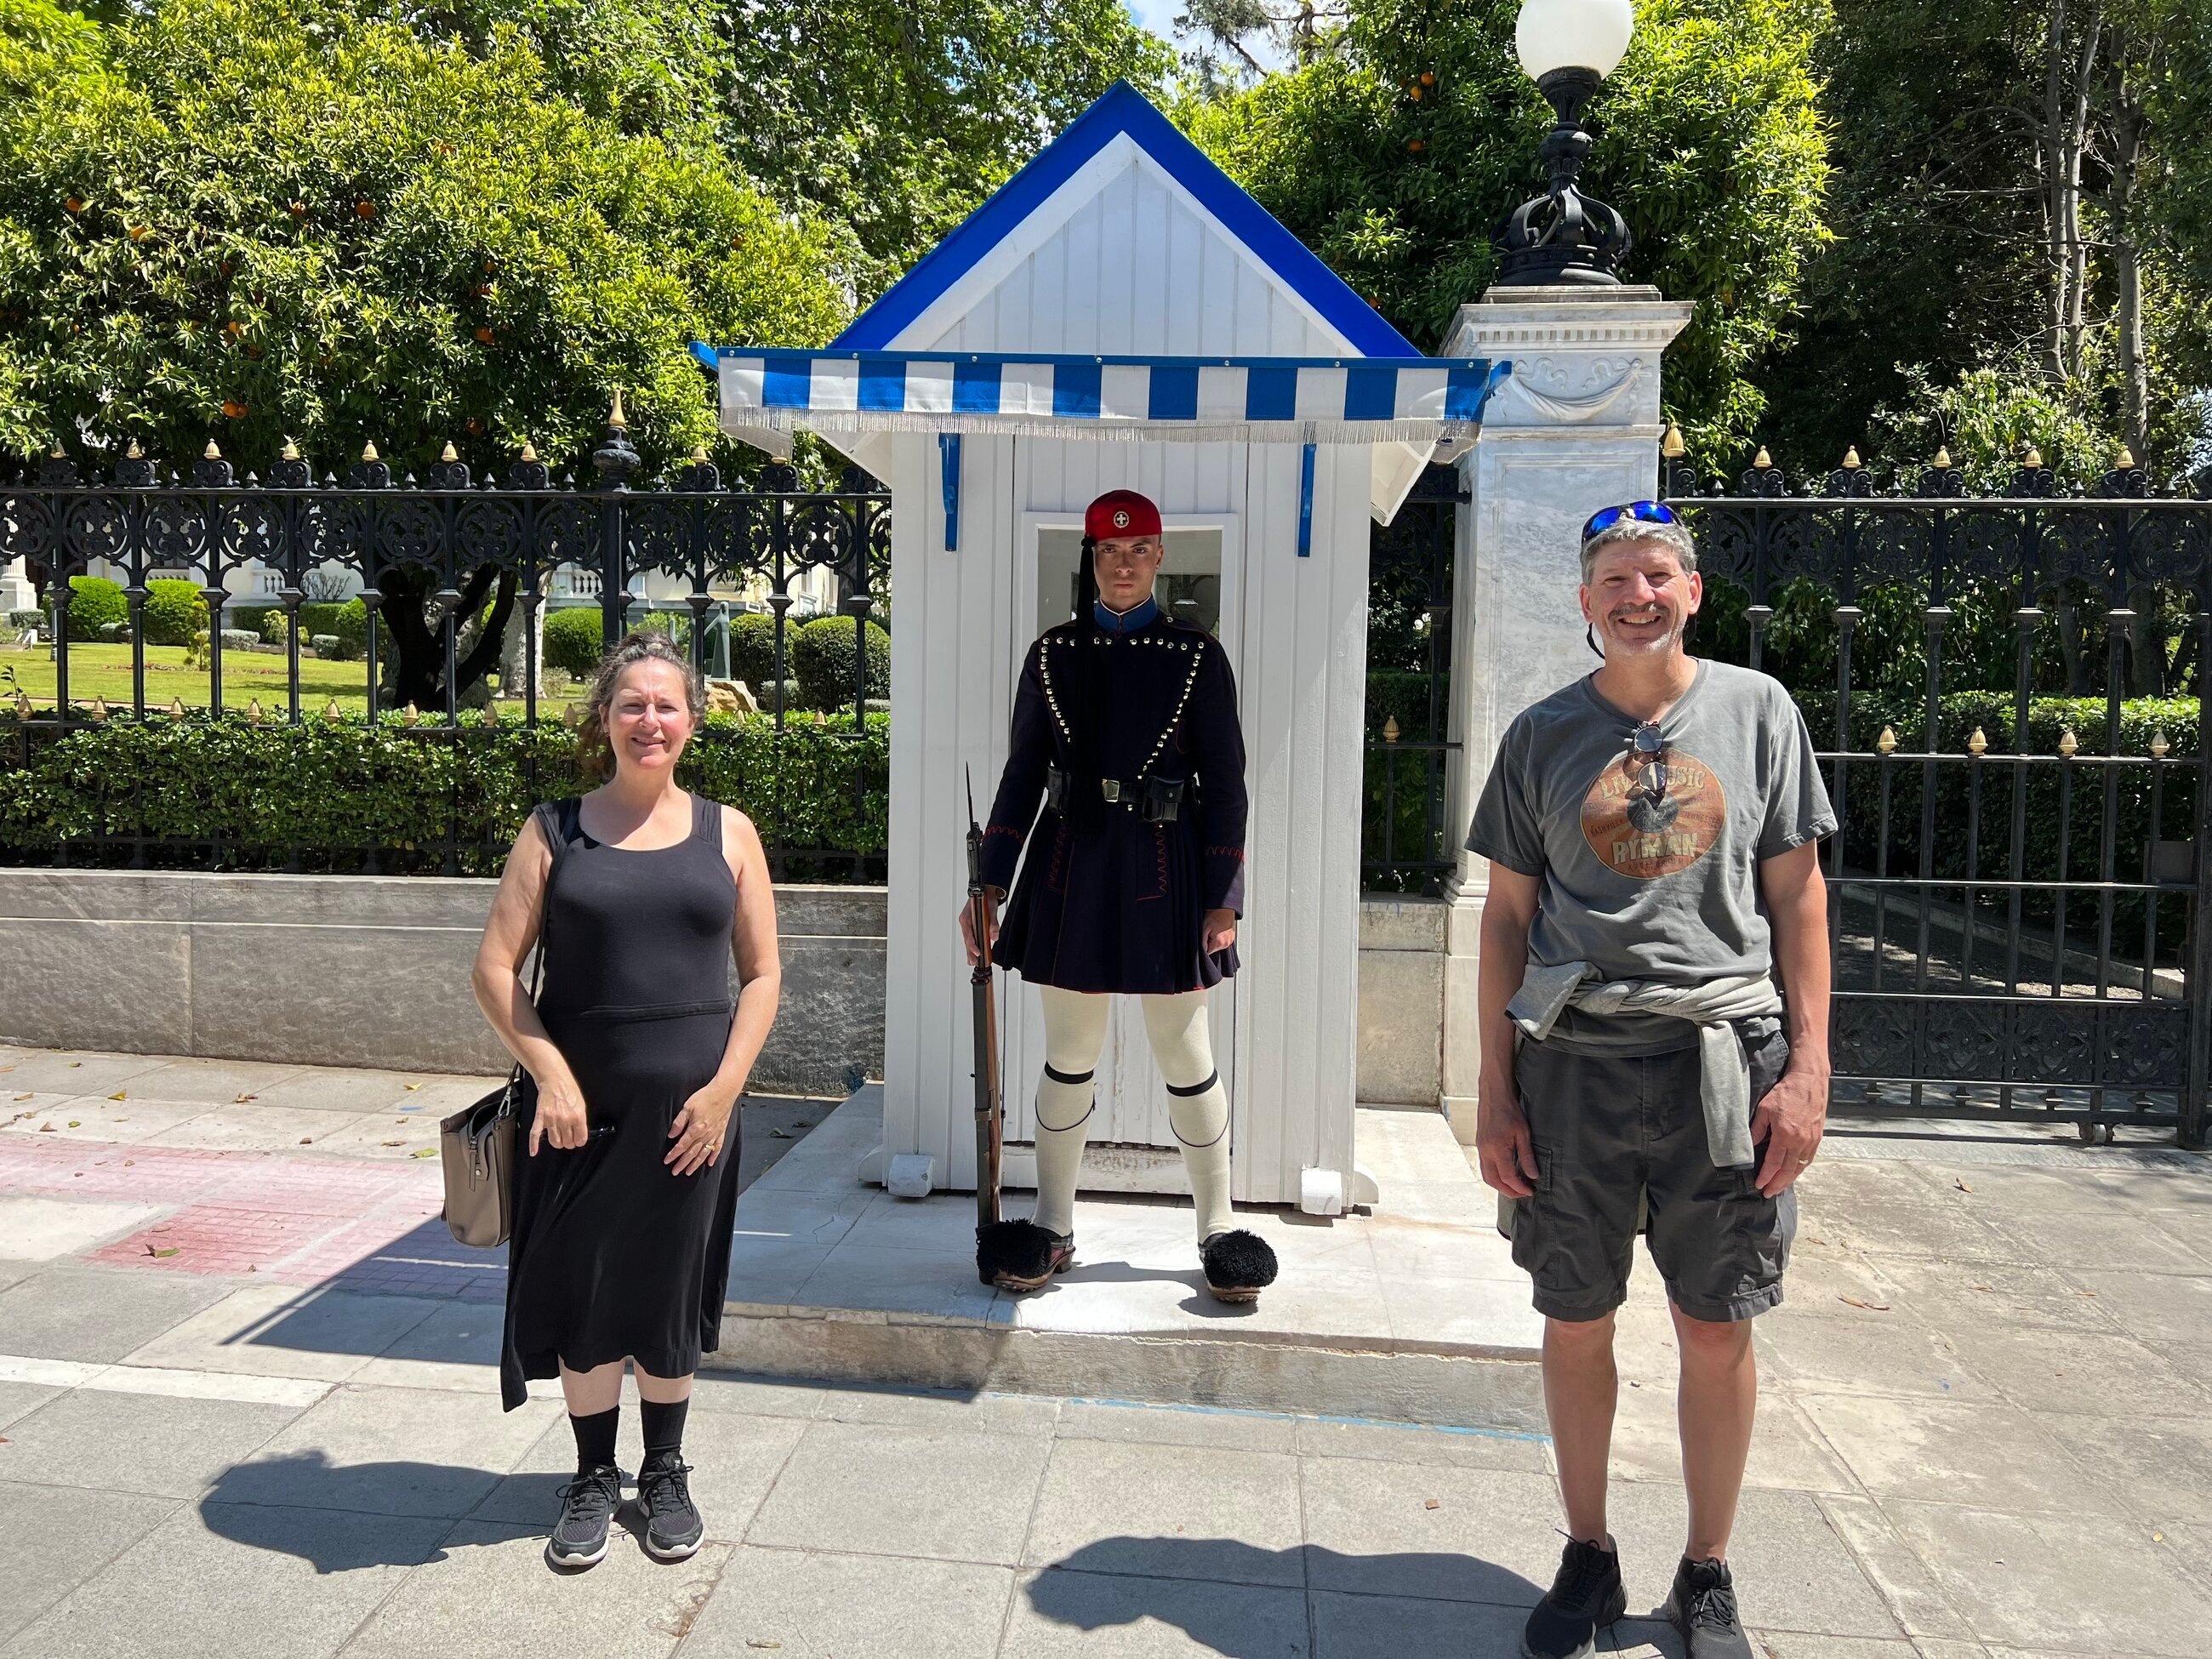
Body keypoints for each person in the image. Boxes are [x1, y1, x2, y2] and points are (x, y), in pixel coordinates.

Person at [1467, 503, 1834, 1659]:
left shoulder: (1760, 713)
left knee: (1715, 1326)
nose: (1638, 594)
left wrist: (1813, 1067)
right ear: (1585, 604)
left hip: (1726, 1066)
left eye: (1658, 574)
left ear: (1693, 593)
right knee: (1575, 1321)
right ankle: (1589, 1549)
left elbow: (1800, 897)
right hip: (1571, 1064)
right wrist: (1492, 1087)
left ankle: (1706, 1570)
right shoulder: (1539, 736)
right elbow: (1508, 920)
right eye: (1615, 578)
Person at [473, 631, 781, 1571]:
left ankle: (666, 1471)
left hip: (693, 1121)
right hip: (578, 1113)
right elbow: (494, 968)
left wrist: (726, 1091)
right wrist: (554, 1078)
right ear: (604, 719)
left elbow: (763, 975)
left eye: (667, 705)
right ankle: (592, 1476)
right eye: (631, 705)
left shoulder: (728, 831)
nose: (651, 720)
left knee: (669, 1290)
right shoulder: (552, 829)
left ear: (694, 718)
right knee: (586, 1291)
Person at [961, 488, 1276, 1304]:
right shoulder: (1052, 652)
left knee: (1185, 1053)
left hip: (1168, 866)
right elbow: (1024, 773)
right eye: (1109, 551)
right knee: (1070, 1054)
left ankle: (1217, 1224)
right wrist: (989, 879)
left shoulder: (1198, 657)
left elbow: (1229, 787)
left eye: (1138, 551)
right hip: (1075, 863)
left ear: (1159, 557)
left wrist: (1224, 896)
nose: (1125, 563)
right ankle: (1056, 1225)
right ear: (1093, 559)